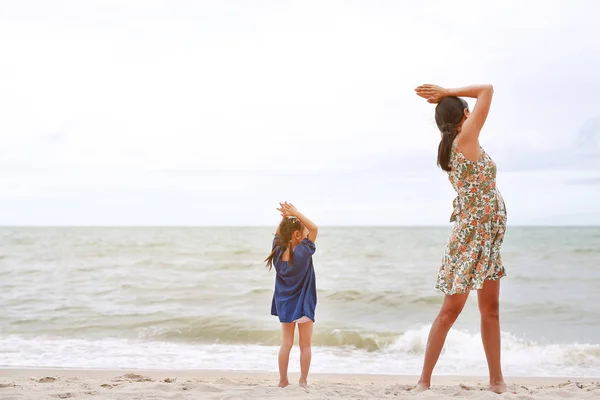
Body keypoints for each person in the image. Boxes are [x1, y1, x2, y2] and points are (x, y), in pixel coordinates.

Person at [413, 84, 509, 394]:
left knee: (490, 309)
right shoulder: (465, 138)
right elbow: (487, 90)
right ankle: (423, 382)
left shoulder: (454, 143)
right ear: (465, 116)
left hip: (487, 240)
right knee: (450, 310)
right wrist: (447, 90)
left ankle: (497, 382)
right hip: (472, 239)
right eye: (468, 113)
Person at [264, 201, 318, 388]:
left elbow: (281, 234)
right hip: (303, 304)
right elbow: (314, 228)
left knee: (285, 344)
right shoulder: (303, 252)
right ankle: (302, 381)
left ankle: (283, 380)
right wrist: (296, 213)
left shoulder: (277, 252)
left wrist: (285, 219)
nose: (305, 235)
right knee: (305, 345)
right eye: (302, 233)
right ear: (296, 235)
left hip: (285, 304)